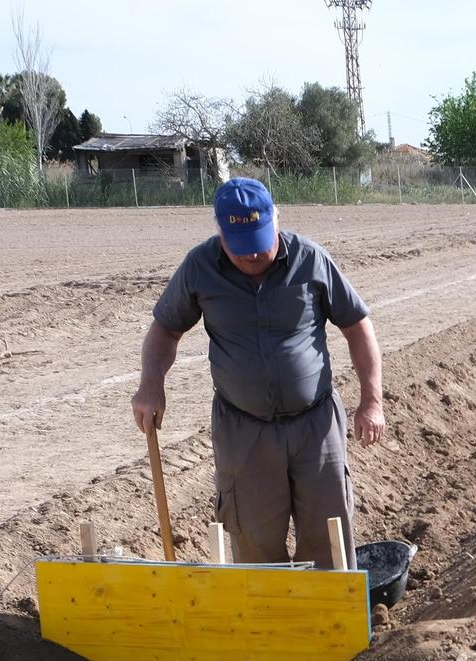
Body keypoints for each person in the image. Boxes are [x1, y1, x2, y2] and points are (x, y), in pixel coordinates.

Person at [130, 177, 385, 566]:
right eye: (240, 248)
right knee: (254, 543)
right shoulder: (200, 268)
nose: (252, 257)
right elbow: (166, 329)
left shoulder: (310, 259)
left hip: (314, 425)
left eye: (260, 244)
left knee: (328, 538)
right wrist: (151, 385)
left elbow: (357, 326)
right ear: (221, 232)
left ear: (276, 220)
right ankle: (265, 625)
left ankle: (328, 623)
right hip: (243, 430)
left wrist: (372, 401)